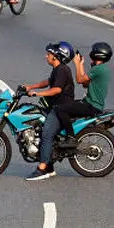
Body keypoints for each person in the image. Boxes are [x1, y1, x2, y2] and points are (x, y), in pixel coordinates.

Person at [20, 41, 77, 181]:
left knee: (46, 134)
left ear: (57, 56)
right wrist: (30, 87)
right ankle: (50, 166)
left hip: (60, 108)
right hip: (54, 107)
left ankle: (42, 168)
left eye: (49, 54)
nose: (46, 56)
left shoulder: (63, 70)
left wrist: (36, 94)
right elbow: (49, 82)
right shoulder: (58, 69)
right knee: (38, 128)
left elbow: (56, 89)